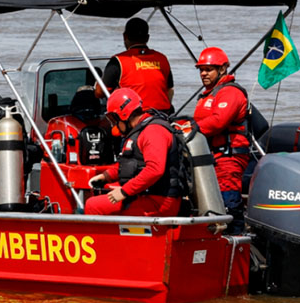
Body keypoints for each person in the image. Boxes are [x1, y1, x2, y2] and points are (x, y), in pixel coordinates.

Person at [86, 88, 184, 216]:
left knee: (93, 206)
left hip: (160, 201)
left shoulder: (153, 131)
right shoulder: (140, 131)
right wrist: (106, 176)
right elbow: (131, 163)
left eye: (114, 119)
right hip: (147, 195)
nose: (114, 125)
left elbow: (155, 170)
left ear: (123, 115)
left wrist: (124, 192)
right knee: (103, 194)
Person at [192, 46, 250, 233]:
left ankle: (237, 240)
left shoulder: (230, 92)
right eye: (201, 69)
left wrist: (192, 129)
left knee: (229, 202)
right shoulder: (209, 94)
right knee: (210, 203)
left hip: (228, 157)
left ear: (222, 69)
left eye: (208, 69)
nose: (203, 73)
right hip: (210, 157)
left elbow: (218, 121)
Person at [95, 17, 174, 114]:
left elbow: (99, 93)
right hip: (163, 115)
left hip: (135, 118)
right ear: (147, 38)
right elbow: (169, 89)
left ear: (125, 36)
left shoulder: (118, 61)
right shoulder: (162, 58)